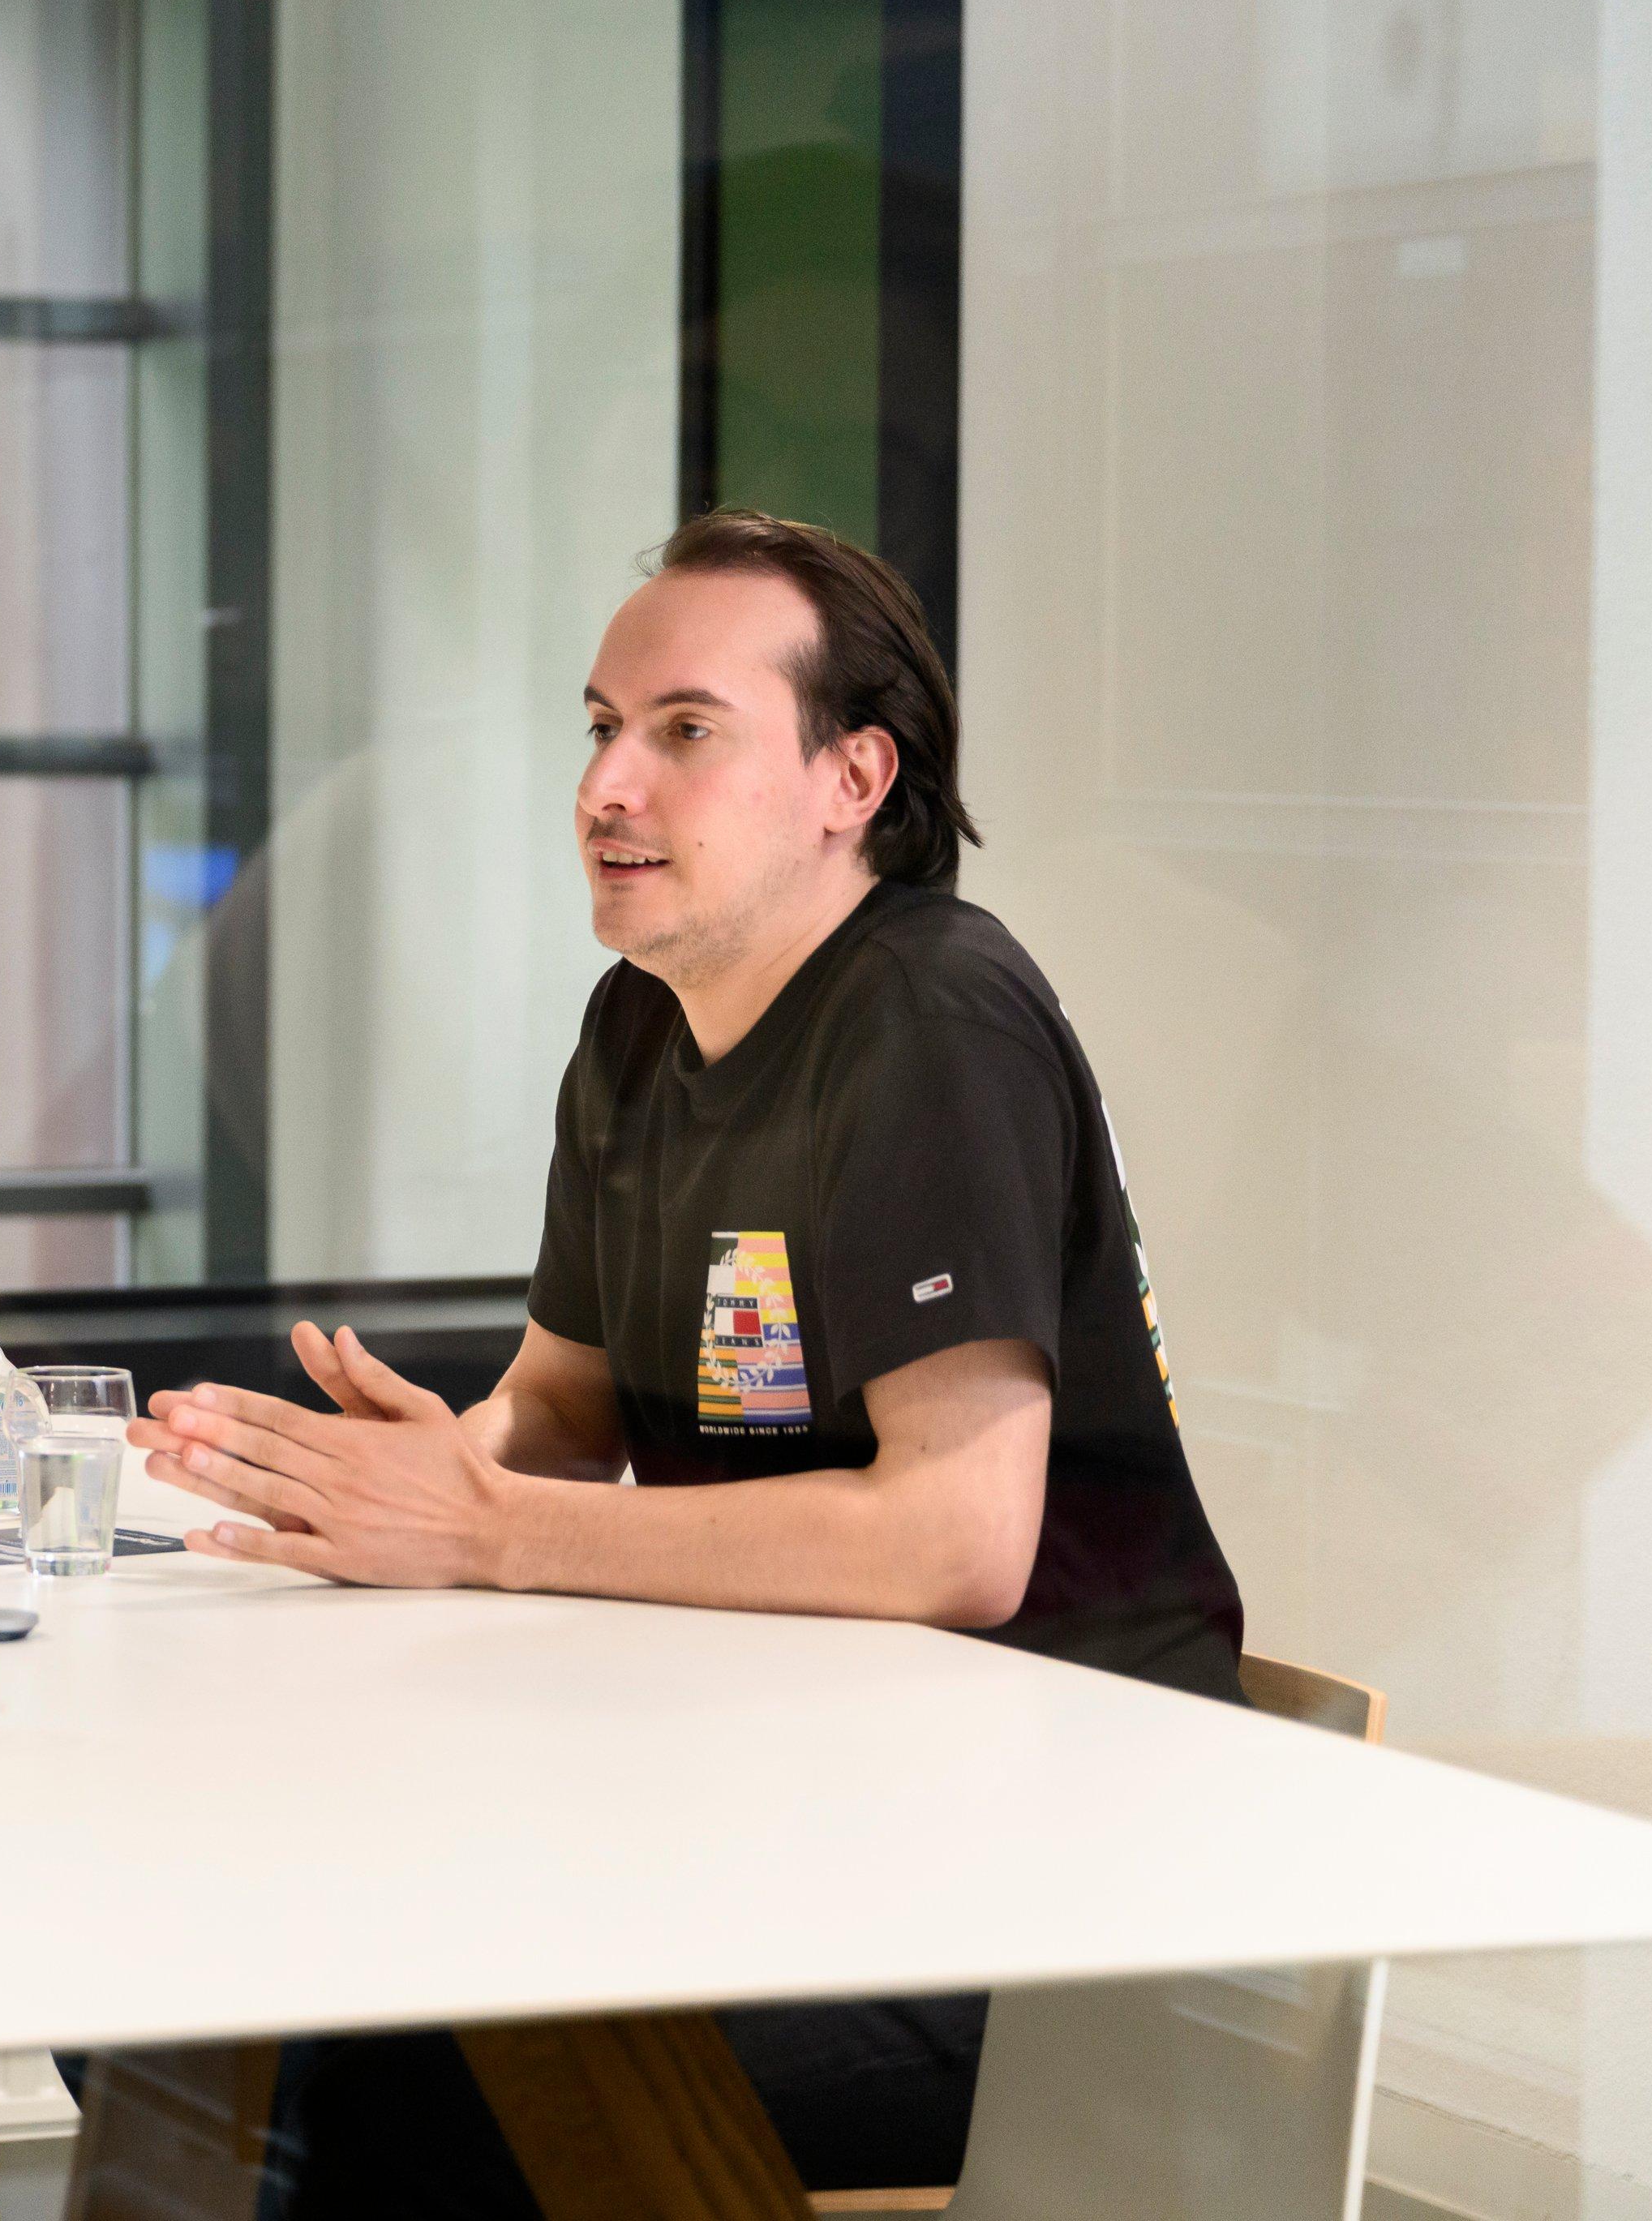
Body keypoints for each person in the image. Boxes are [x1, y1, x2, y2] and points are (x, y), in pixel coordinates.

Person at [129, 511, 1246, 2211]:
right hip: (804, 1812)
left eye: (687, 732)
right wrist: (423, 1471)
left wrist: (489, 1527)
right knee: (172, 1999)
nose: (610, 785)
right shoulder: (641, 1025)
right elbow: (566, 1417)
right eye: (600, 727)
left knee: (352, 2072)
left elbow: (958, 1540)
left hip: (1043, 1906)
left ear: (851, 779)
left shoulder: (929, 1021)